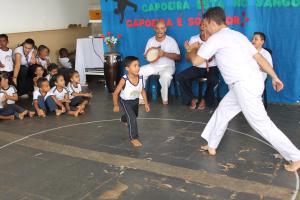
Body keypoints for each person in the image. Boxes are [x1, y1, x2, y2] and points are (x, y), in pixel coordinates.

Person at [188, 7, 300, 172]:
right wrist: (275, 77)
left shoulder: (216, 39)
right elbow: (259, 58)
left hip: (244, 86)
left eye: (205, 25)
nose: (205, 28)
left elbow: (196, 60)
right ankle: (212, 145)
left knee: (261, 124)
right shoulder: (238, 36)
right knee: (223, 111)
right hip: (246, 83)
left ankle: (296, 156)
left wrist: (192, 48)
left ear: (212, 22)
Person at [177, 22, 219, 110]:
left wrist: (204, 48)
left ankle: (205, 100)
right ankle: (191, 99)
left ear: (209, 27)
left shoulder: (214, 38)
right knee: (181, 77)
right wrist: (189, 49)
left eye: (205, 25)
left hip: (212, 67)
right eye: (201, 25)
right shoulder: (194, 39)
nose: (202, 27)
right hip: (198, 67)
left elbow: (213, 56)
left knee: (214, 79)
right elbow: (188, 59)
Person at [139, 21, 181, 105]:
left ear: (165, 29)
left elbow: (178, 57)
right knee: (140, 71)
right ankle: (141, 98)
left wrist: (164, 54)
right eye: (157, 28)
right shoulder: (150, 41)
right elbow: (146, 55)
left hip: (168, 66)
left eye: (162, 28)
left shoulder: (171, 41)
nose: (159, 31)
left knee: (166, 76)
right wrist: (149, 55)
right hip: (154, 66)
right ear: (154, 29)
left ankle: (164, 99)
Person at [113, 56, 150, 147]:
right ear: (127, 68)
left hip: (135, 100)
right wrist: (116, 105)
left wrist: (146, 103)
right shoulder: (124, 80)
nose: (138, 67)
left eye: (138, 65)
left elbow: (142, 90)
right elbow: (115, 93)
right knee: (132, 119)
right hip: (125, 101)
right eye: (135, 65)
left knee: (134, 115)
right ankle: (133, 138)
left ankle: (123, 119)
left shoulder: (141, 77)